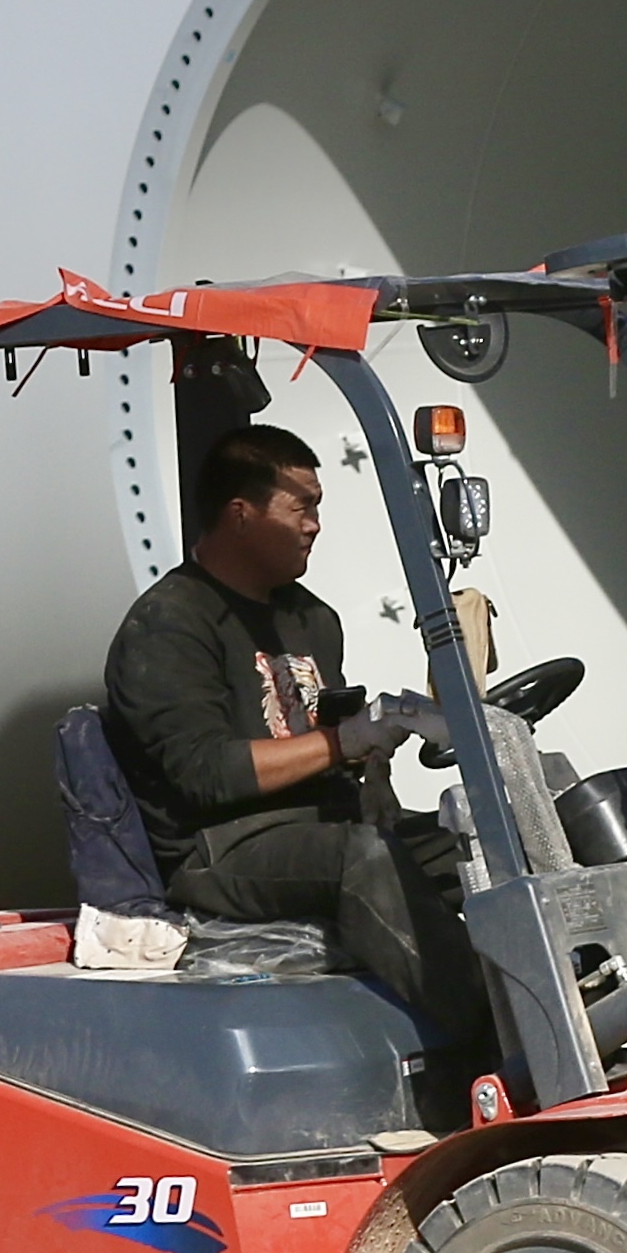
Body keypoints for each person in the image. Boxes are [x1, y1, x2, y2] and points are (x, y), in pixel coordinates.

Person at [99, 421, 487, 1057]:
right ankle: (498, 1042)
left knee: (485, 833)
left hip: (323, 826)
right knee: (362, 859)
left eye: (317, 507)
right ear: (241, 515)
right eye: (301, 507)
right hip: (222, 848)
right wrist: (346, 741)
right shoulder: (169, 624)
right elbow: (205, 773)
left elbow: (323, 728)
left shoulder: (312, 619)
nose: (315, 525)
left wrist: (373, 764)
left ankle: (593, 992)